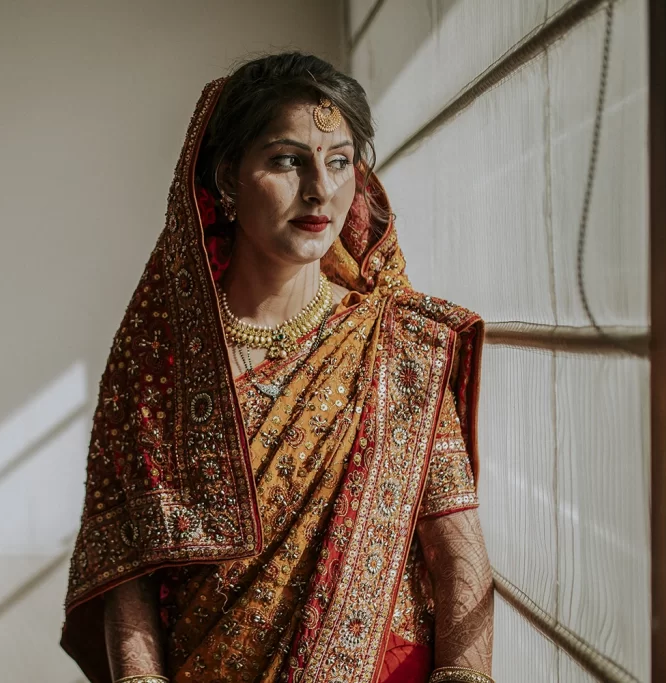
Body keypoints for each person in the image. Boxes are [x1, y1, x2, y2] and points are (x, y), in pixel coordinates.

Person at [61, 52, 494, 683]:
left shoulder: (397, 344)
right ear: (227, 178)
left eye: (340, 160)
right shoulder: (157, 367)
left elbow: (457, 551)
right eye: (287, 160)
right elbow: (127, 572)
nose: (320, 189)